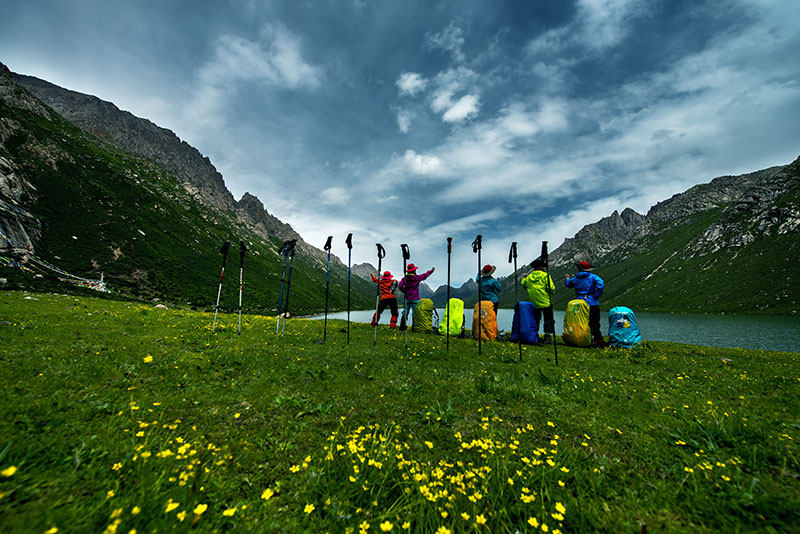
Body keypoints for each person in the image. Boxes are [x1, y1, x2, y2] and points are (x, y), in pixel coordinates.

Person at [565, 260, 605, 347]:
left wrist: (567, 278)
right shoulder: (593, 277)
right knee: (594, 322)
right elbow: (601, 285)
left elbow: (568, 284)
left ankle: (581, 338)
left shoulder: (576, 278)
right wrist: (596, 295)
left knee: (581, 322)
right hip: (592, 302)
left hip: (579, 302)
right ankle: (597, 340)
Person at [520, 258, 556, 343]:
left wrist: (524, 278)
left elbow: (523, 285)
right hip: (545, 301)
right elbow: (551, 288)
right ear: (541, 267)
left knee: (536, 319)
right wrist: (550, 294)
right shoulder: (545, 275)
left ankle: (534, 334)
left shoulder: (529, 277)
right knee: (548, 318)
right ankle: (547, 336)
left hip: (534, 302)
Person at [398, 263, 435, 329]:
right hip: (415, 298)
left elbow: (400, 286)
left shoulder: (405, 278)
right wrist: (431, 271)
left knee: (405, 312)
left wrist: (404, 290)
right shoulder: (417, 278)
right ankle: (414, 327)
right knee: (415, 313)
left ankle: (402, 326)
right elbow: (425, 275)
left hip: (407, 297)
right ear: (414, 270)